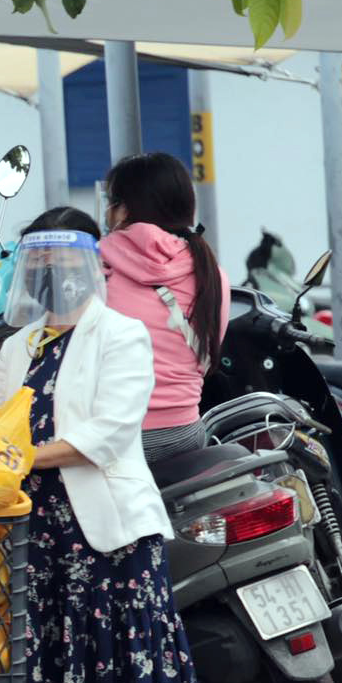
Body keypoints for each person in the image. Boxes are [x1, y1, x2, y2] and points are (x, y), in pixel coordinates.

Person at [0, 227, 205, 683]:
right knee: (66, 669)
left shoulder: (121, 334)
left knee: (134, 664)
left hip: (110, 532)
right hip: (43, 527)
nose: (52, 276)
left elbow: (109, 435)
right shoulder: (19, 345)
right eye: (40, 265)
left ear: (89, 269)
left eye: (63, 264)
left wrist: (21, 456)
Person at [98, 152, 229, 463]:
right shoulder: (209, 270)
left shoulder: (95, 264)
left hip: (116, 436)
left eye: (110, 202)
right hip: (185, 431)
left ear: (123, 209)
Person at [0, 206, 102, 403]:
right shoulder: (15, 345)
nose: (48, 270)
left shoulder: (121, 336)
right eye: (37, 259)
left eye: (62, 259)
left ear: (94, 266)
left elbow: (113, 419)